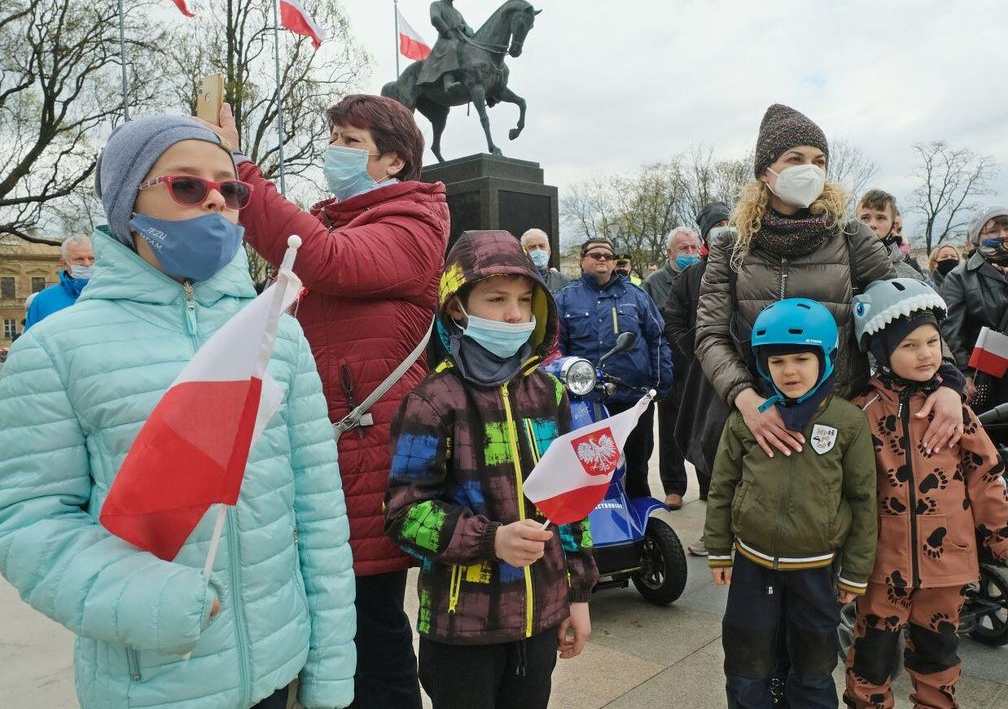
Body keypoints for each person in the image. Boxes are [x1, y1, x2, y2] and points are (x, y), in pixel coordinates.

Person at [0, 116, 355, 709]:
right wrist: (145, 599)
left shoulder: (276, 337)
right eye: (188, 186)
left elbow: (318, 514)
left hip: (280, 670)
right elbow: (30, 523)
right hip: (151, 683)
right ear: (126, 202)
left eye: (231, 188)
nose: (217, 198)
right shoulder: (56, 349)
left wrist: (331, 669)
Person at [213, 94, 450, 706]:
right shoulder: (335, 217)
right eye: (335, 136)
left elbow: (329, 260)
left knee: (372, 627)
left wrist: (241, 173)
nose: (333, 150)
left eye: (350, 141)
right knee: (323, 624)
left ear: (394, 160)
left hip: (367, 458)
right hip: (318, 454)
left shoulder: (412, 225)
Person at [385, 230, 597, 709]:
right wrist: (491, 540)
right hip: (463, 627)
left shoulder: (550, 392)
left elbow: (572, 501)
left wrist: (578, 594)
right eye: (496, 299)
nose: (515, 314)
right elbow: (403, 513)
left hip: (540, 619)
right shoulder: (432, 400)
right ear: (458, 307)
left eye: (525, 299)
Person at [695, 104, 965, 465]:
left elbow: (908, 311)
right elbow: (710, 334)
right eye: (795, 159)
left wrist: (947, 379)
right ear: (765, 171)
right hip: (759, 420)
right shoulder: (732, 246)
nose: (810, 169)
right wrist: (746, 399)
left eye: (819, 160)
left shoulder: (851, 237)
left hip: (838, 421)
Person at [845, 278, 1008, 709]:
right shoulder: (862, 413)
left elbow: (986, 476)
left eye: (932, 341)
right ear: (880, 351)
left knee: (938, 655)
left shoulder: (955, 410)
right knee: (871, 658)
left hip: (947, 563)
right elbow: (844, 490)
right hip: (883, 564)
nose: (927, 353)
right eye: (910, 345)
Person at [706, 298, 877, 709]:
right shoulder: (748, 419)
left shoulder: (847, 422)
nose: (789, 371)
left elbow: (863, 499)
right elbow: (723, 484)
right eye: (777, 361)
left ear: (826, 359)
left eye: (802, 358)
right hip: (752, 563)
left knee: (814, 658)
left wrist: (856, 570)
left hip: (816, 569)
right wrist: (718, 549)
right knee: (748, 655)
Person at [556, 237, 672, 499]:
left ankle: (642, 532)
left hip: (633, 398)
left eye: (608, 256)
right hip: (585, 403)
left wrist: (661, 384)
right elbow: (555, 349)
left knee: (636, 468)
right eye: (595, 255)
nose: (602, 259)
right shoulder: (564, 299)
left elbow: (657, 339)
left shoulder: (636, 295)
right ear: (582, 260)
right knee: (590, 470)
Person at [664, 204, 731, 553]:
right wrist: (699, 351)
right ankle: (716, 533)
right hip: (706, 378)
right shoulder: (690, 278)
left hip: (747, 376)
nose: (724, 230)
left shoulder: (750, 267)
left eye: (728, 224)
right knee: (714, 452)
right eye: (717, 226)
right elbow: (673, 320)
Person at [939, 206, 1008, 411]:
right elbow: (951, 331)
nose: (1004, 235)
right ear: (977, 238)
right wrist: (963, 373)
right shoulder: (960, 277)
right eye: (993, 231)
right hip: (985, 381)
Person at [642, 226, 701, 508]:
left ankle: (710, 484)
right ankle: (674, 487)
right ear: (669, 252)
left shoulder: (708, 275)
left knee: (704, 425)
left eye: (693, 248)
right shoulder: (654, 282)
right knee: (671, 429)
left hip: (703, 361)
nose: (690, 254)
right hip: (670, 364)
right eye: (683, 249)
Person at [23, 233, 96, 330]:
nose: (87, 263)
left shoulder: (109, 294)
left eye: (92, 258)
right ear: (64, 263)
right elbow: (29, 343)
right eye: (79, 259)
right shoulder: (42, 300)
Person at [419, 0, 475, 95]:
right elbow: (435, 18)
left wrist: (463, 28)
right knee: (452, 47)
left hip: (461, 40)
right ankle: (448, 82)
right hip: (446, 41)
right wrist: (447, 31)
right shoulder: (436, 5)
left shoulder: (458, 13)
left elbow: (471, 30)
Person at [855, 190, 923, 280]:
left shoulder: (911, 276)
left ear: (893, 226)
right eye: (864, 218)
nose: (872, 224)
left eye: (880, 218)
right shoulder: (841, 265)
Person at [521, 227, 571, 292]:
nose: (538, 251)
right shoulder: (516, 282)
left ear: (549, 252)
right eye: (532, 247)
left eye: (542, 246)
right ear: (523, 253)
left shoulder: (564, 282)